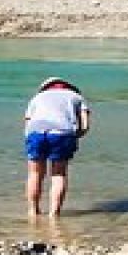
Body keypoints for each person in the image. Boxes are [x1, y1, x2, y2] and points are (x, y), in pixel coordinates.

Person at [23, 76, 91, 215]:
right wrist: (74, 137)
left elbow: (27, 124)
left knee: (34, 173)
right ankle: (54, 214)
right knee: (58, 174)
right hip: (62, 132)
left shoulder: (37, 98)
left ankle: (33, 211)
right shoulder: (76, 97)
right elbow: (84, 125)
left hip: (35, 132)